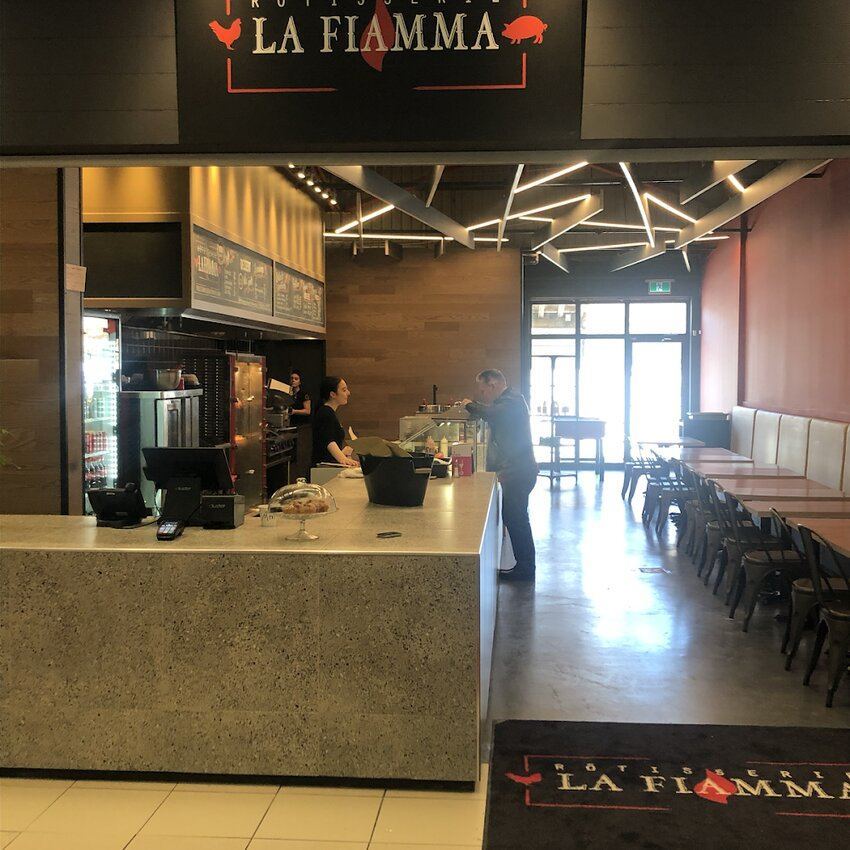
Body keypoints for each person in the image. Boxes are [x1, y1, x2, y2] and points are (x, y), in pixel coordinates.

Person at [464, 369, 538, 582]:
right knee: (514, 517)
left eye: (483, 391)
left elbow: (492, 413)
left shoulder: (512, 401)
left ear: (493, 385)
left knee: (517, 519)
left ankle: (526, 569)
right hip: (517, 470)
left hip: (519, 471)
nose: (483, 395)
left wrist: (469, 404)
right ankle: (524, 566)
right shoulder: (508, 400)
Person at [312, 376, 359, 469]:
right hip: (323, 469)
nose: (348, 393)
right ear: (333, 394)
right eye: (344, 390)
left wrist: (343, 452)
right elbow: (329, 441)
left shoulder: (329, 412)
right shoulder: (325, 413)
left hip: (327, 466)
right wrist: (343, 459)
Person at [289, 369, 312, 481]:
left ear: (300, 381)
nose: (293, 380)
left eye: (296, 379)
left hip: (302, 426)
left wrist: (294, 411)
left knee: (300, 454)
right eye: (292, 378)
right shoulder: (288, 393)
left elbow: (308, 411)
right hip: (290, 426)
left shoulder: (304, 394)